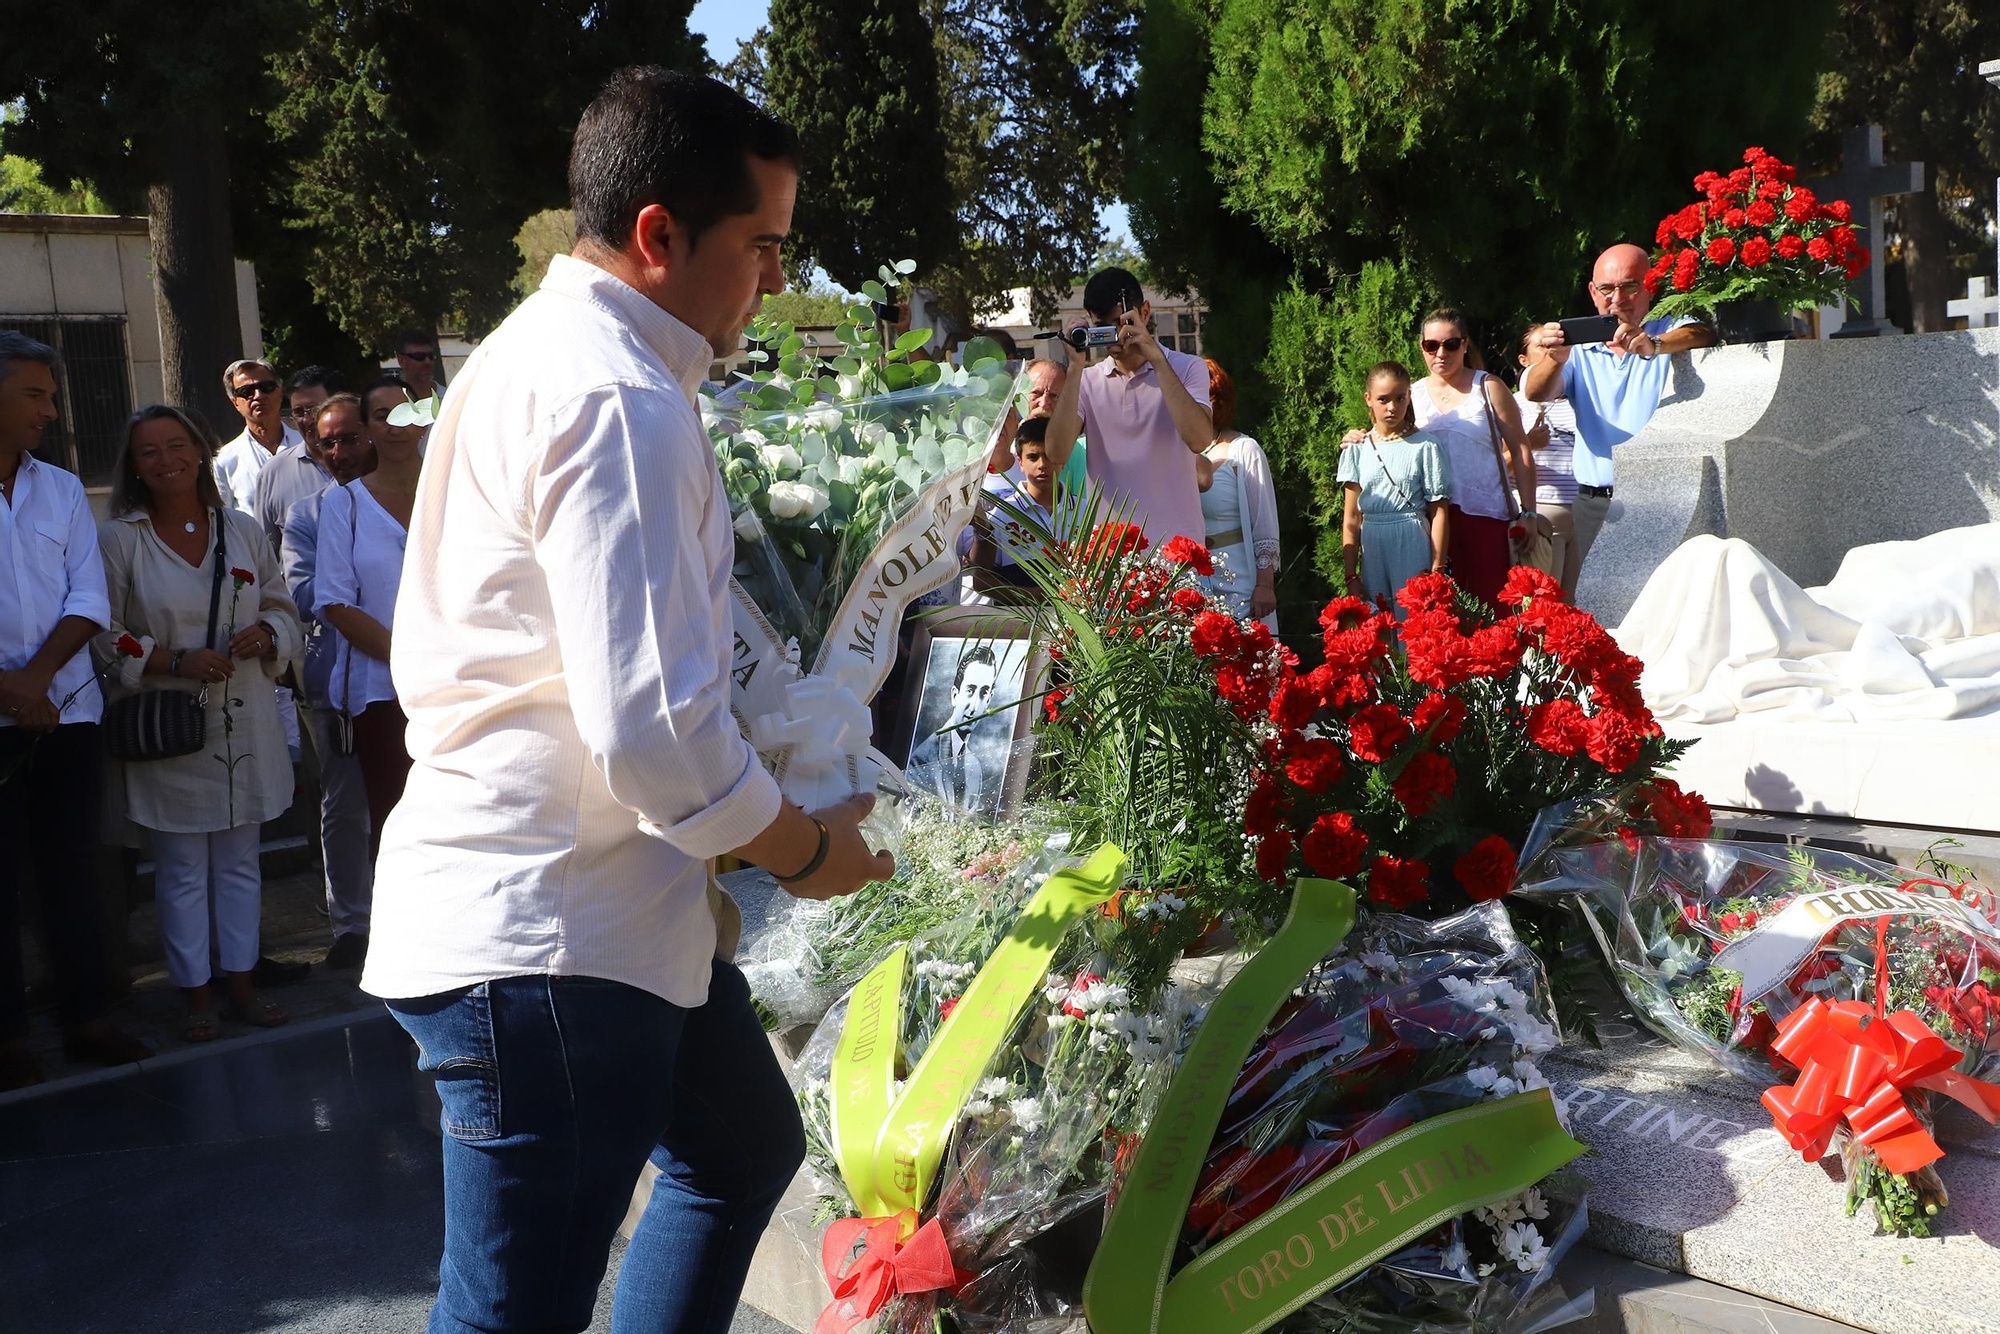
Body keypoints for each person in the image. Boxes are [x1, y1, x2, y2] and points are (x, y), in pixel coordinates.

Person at [362, 67, 892, 1334]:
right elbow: (653, 737)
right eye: (760, 247)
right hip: (549, 935)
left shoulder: (554, 355)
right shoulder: (616, 395)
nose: (771, 281)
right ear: (659, 236)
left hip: (605, 914)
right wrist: (809, 849)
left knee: (739, 1148)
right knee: (511, 1311)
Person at [99, 405, 303, 1041]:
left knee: (241, 862)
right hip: (171, 731)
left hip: (245, 722)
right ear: (133, 466)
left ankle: (241, 981)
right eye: (149, 451)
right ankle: (195, 994)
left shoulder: (239, 529)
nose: (167, 460)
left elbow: (282, 604)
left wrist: (267, 632)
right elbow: (102, 631)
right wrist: (170, 659)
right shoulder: (121, 540)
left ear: (199, 449)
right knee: (183, 868)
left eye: (177, 444)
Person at [0, 332, 151, 1090]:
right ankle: (6, 1037)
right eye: (35, 394)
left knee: (72, 872)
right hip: (9, 712)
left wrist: (38, 678)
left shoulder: (57, 488)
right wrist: (12, 688)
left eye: (52, 395)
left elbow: (87, 598)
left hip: (65, 712)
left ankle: (86, 1015)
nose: (51, 411)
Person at [1522, 243, 1717, 584]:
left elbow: (1702, 333)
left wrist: (1655, 345)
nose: (1617, 299)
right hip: (1596, 503)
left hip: (1664, 499)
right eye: (1607, 289)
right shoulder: (1577, 350)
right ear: (1592, 293)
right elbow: (1535, 392)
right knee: (1587, 611)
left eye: (1630, 286)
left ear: (1650, 286)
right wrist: (1555, 358)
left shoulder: (1666, 326)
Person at [280, 394, 378, 971]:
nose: (339, 451)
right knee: (344, 806)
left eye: (348, 438)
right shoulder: (307, 516)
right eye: (327, 442)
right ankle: (352, 926)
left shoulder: (408, 503)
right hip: (337, 683)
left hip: (408, 673)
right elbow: (305, 594)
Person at [316, 376, 422, 880]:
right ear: (367, 429)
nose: (397, 426)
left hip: (462, 686)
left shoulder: (457, 490)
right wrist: (410, 660)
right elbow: (335, 602)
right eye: (383, 416)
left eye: (407, 412)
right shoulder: (346, 504)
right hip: (382, 693)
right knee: (396, 821)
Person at [1046, 266, 1212, 548]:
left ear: (1144, 313)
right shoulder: (1086, 381)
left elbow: (1199, 439)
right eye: (1101, 326)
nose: (1114, 337)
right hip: (1112, 556)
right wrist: (1074, 368)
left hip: (1178, 552)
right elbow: (1056, 453)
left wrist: (1157, 359)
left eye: (1119, 322)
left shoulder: (1188, 368)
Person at [1405, 309, 1546, 610]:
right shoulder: (1410, 395)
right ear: (1422, 347)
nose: (1441, 352)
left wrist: (1530, 513)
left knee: (1492, 613)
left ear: (1465, 345)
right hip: (1430, 522)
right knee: (1441, 616)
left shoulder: (1488, 387)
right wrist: (1357, 437)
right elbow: (1388, 438)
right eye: (1432, 345)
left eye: (1451, 344)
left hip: (1486, 517)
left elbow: (1521, 449)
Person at [1338, 362, 1451, 614]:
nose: (1392, 407)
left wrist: (1437, 569)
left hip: (1411, 537)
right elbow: (1352, 516)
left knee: (1413, 621)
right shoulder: (1356, 447)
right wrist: (1350, 574)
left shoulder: (1426, 446)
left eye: (1400, 398)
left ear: (1409, 396)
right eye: (1383, 399)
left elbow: (1439, 511)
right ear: (1368, 399)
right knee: (1379, 624)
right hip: (1373, 540)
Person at [1196, 359, 1280, 628]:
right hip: (1193, 584)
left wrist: (1264, 585)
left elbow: (1263, 522)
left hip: (1240, 584)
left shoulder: (1245, 450)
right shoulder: (1173, 451)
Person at [1513, 331, 1584, 596]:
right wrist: (1528, 444)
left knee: (1572, 606)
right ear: (1523, 359)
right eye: (1543, 346)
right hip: (1543, 515)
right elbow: (1496, 466)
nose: (1552, 351)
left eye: (1558, 345)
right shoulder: (1513, 404)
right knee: (1542, 605)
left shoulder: (1579, 399)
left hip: (1584, 514)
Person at [254, 365, 351, 553]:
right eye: (299, 412)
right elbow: (265, 556)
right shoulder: (273, 474)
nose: (307, 420)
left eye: (314, 410)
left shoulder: (369, 464)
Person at [969, 416, 1064, 600]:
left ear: (1063, 458)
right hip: (1019, 625)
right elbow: (982, 582)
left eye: (1049, 455)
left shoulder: (1085, 512)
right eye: (1033, 457)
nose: (1042, 464)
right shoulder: (1000, 515)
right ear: (1020, 461)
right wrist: (1037, 597)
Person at [907, 642, 1001, 814]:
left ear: (989, 700)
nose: (974, 707)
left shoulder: (974, 767)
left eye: (983, 694)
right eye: (970, 691)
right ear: (955, 695)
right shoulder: (923, 760)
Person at [214, 358, 302, 515]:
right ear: (235, 403)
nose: (258, 395)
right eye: (246, 392)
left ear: (280, 393)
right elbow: (225, 523)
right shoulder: (224, 461)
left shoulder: (308, 446)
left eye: (266, 387)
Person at [394, 330, 444, 402]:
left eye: (431, 356)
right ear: (402, 360)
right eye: (419, 356)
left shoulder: (450, 399)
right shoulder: (392, 401)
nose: (428, 362)